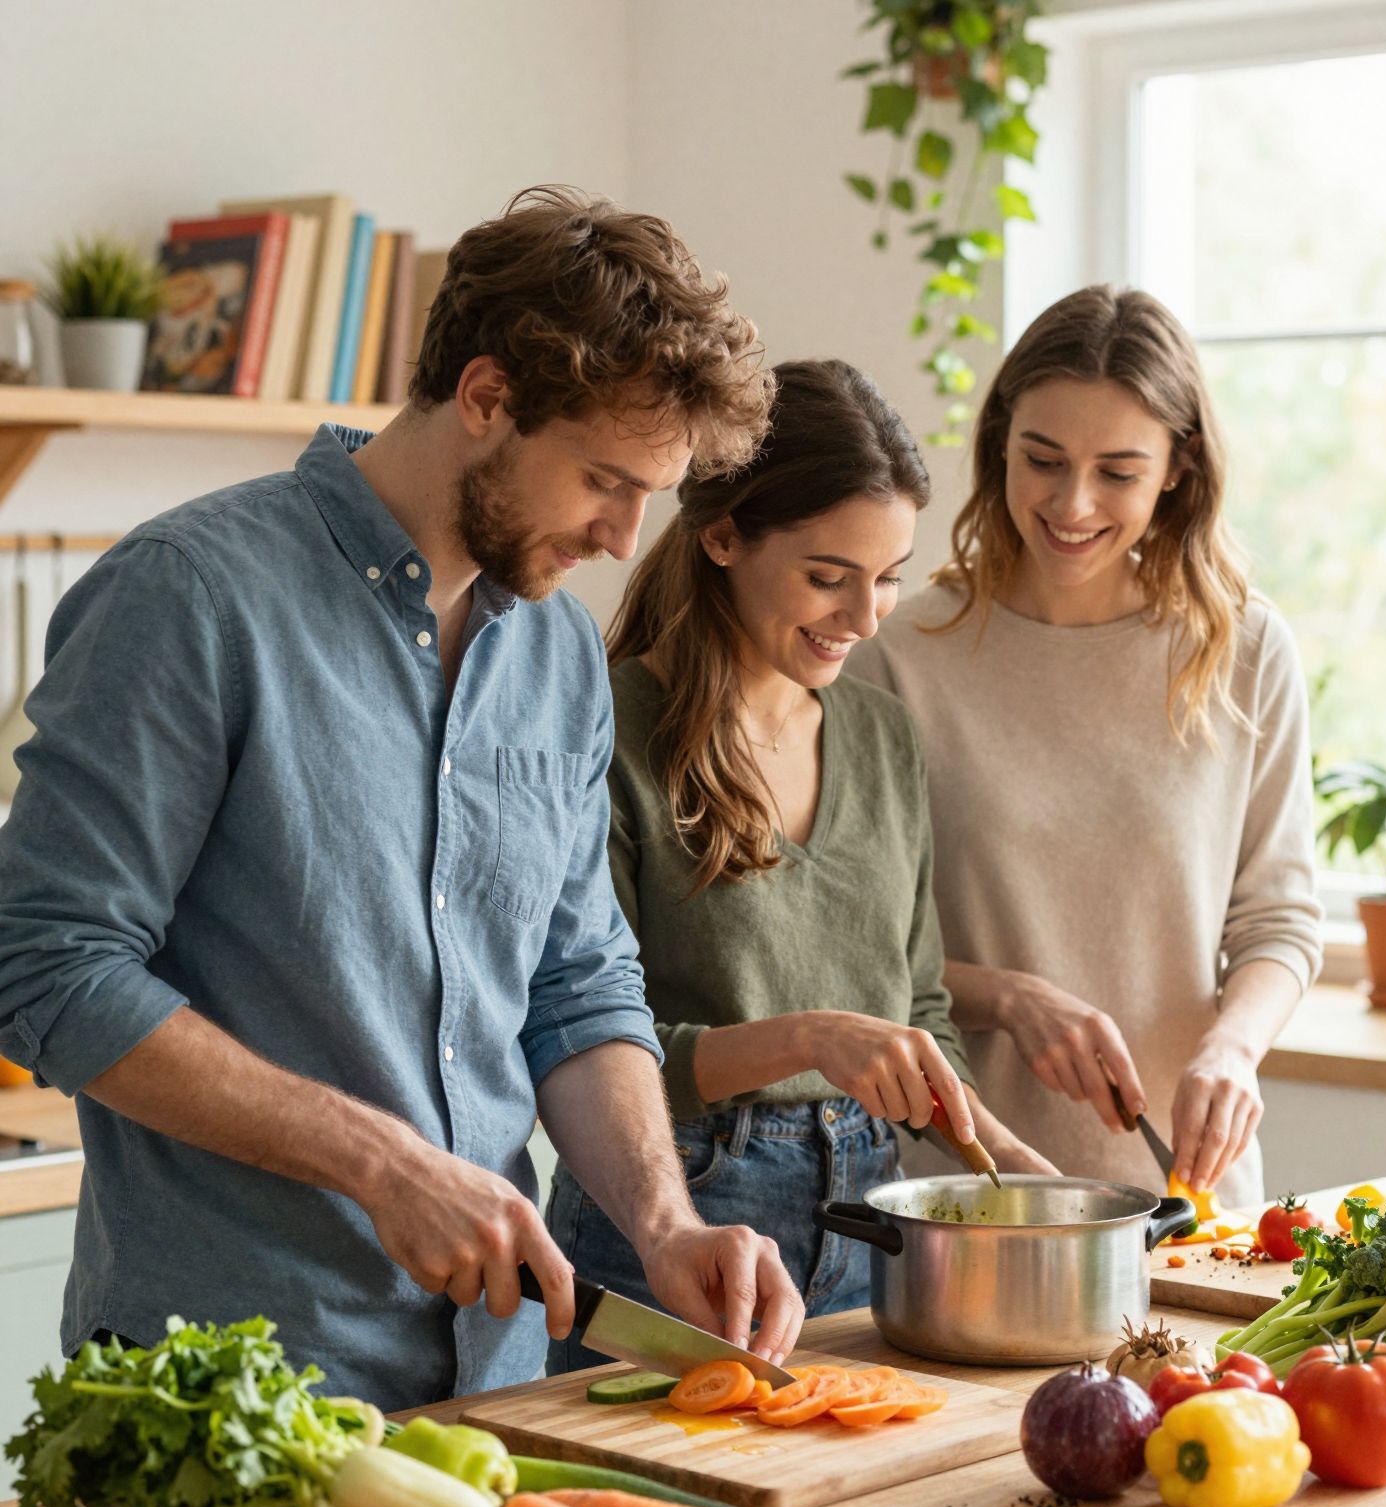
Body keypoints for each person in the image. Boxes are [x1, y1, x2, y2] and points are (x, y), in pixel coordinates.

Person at [0, 186, 806, 1408]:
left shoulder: (555, 655)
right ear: (486, 397)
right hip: (225, 1379)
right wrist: (384, 1163)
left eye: (655, 493)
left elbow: (574, 979)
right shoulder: (191, 596)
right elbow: (45, 964)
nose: (625, 535)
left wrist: (663, 1224)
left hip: (492, 1372)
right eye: (603, 478)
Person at [547, 359, 1054, 1368]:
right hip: (681, 1219)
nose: (867, 618)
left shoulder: (881, 735)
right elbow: (591, 1032)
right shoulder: (604, 724)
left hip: (875, 1216)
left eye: (890, 576)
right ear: (724, 535)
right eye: (829, 576)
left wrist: (1018, 1169)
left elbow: (919, 1017)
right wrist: (812, 1038)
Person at [851, 286, 1323, 1212]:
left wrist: (1232, 1048)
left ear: (1179, 468)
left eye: (1118, 471)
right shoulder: (899, 654)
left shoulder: (1247, 650)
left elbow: (1278, 919)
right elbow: (856, 950)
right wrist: (1011, 998)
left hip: (1192, 1199)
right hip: (972, 1192)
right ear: (1000, 446)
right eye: (1044, 460)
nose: (1072, 504)